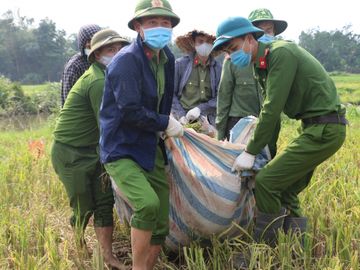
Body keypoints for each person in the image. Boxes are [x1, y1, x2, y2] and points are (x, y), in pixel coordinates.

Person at [212, 17, 347, 246]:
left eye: (234, 48)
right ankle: (296, 250)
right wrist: (265, 156)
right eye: (228, 52)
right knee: (284, 187)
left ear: (249, 38)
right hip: (314, 128)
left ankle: (264, 249)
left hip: (325, 129)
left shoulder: (280, 54)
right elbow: (272, 121)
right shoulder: (260, 64)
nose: (233, 56)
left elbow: (271, 109)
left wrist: (251, 150)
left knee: (265, 182)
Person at [99, 0, 183, 269]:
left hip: (149, 145)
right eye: (152, 22)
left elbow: (164, 100)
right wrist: (164, 122)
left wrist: (164, 127)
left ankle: (148, 265)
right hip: (122, 148)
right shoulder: (126, 62)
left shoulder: (167, 58)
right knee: (146, 205)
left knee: (160, 213)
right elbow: (130, 111)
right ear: (138, 26)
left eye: (165, 23)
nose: (160, 28)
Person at [51, 29, 129, 269]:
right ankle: (78, 247)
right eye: (109, 50)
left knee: (104, 202)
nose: (116, 54)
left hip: (96, 149)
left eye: (119, 49)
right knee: (83, 205)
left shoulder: (112, 77)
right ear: (96, 56)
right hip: (71, 152)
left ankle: (107, 257)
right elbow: (109, 127)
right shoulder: (97, 81)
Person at [216, 8, 287, 159]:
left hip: (265, 122)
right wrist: (220, 135)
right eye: (260, 30)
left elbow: (274, 104)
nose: (265, 35)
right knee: (238, 169)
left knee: (264, 166)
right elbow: (224, 96)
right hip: (238, 123)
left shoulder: (276, 60)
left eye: (269, 30)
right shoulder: (233, 60)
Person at [171, 30, 222, 126]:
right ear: (194, 43)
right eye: (200, 41)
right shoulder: (180, 65)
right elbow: (171, 94)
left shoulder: (218, 69)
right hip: (183, 119)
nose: (204, 45)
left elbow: (220, 97)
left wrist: (200, 109)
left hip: (208, 120)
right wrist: (180, 115)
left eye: (208, 42)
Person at [60, 24, 101, 106]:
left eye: (96, 39)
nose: (92, 44)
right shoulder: (74, 66)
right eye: (89, 41)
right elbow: (68, 99)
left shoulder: (102, 60)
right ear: (82, 44)